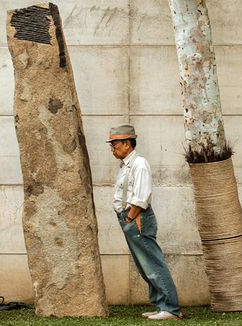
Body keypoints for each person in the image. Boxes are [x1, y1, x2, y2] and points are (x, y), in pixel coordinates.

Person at [107, 124, 182, 321]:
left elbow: (142, 196)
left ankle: (171, 309)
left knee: (153, 263)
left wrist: (130, 217)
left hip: (137, 217)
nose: (112, 149)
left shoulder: (139, 163)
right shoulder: (126, 165)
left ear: (127, 144)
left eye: (115, 145)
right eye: (112, 145)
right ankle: (161, 305)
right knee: (144, 265)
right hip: (129, 217)